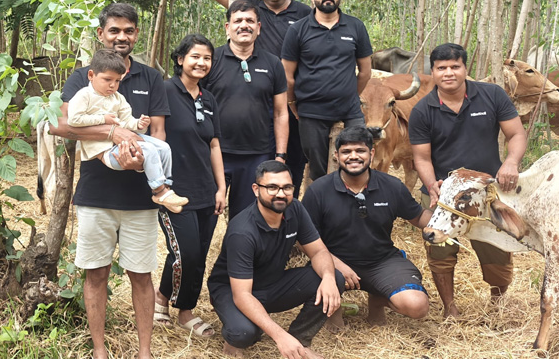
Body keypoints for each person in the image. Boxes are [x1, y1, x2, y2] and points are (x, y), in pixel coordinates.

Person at [50, 2, 169, 359]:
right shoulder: (84, 76)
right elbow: (61, 125)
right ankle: (100, 350)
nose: (122, 36)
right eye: (114, 30)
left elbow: (159, 132)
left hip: (140, 198)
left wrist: (144, 161)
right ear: (101, 33)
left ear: (136, 34)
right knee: (96, 275)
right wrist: (114, 132)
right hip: (96, 194)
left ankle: (144, 351)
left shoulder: (150, 78)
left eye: (128, 30)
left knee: (142, 276)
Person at [408, 42, 526, 318]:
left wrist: (510, 162)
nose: (448, 73)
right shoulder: (422, 110)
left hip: (486, 191)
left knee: (497, 251)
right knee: (440, 251)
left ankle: (497, 304)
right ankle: (450, 309)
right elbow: (422, 159)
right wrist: (430, 186)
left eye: (454, 67)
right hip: (444, 193)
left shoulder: (492, 95)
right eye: (441, 68)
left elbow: (516, 135)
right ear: (433, 72)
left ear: (465, 68)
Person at [207, 160, 343, 358]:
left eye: (286, 187)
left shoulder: (294, 208)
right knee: (243, 333)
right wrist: (279, 336)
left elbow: (319, 252)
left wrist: (329, 278)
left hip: (272, 283)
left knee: (334, 279)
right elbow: (242, 295)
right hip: (234, 291)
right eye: (272, 187)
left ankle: (299, 342)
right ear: (256, 189)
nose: (281, 194)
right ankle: (236, 334)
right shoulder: (243, 231)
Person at [302, 126, 431, 327]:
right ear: (337, 156)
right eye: (346, 152)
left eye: (360, 151)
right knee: (335, 330)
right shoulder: (318, 190)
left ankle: (378, 300)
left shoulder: (391, 186)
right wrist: (335, 265)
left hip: (382, 261)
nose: (353, 156)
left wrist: (449, 213)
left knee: (417, 306)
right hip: (332, 262)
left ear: (371, 154)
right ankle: (332, 310)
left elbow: (419, 217)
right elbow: (305, 240)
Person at [204, 0, 310, 196]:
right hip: (257, 97)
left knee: (291, 159)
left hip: (291, 100)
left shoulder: (305, 13)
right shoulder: (249, 9)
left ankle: (284, 211)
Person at [151, 33, 226, 338]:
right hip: (174, 191)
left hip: (206, 190)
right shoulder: (164, 91)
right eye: (195, 56)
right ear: (181, 59)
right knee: (186, 253)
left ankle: (164, 299)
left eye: (207, 58)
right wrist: (158, 187)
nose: (201, 62)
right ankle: (185, 311)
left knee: (197, 253)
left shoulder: (208, 99)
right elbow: (153, 139)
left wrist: (222, 189)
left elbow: (214, 145)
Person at [281, 0, 373, 188]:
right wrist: (293, 104)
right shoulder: (298, 30)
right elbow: (287, 76)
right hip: (312, 111)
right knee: (318, 169)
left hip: (350, 111)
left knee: (359, 159)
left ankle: (355, 204)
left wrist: (350, 95)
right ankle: (322, 213)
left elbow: (365, 71)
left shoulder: (355, 27)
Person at [67, 48, 188, 213]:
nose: (112, 85)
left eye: (117, 81)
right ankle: (158, 191)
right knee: (150, 149)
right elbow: (73, 120)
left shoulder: (117, 97)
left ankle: (166, 187)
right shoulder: (84, 96)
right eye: (107, 79)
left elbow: (126, 121)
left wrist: (139, 123)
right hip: (106, 151)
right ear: (91, 75)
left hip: (122, 141)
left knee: (163, 147)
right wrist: (103, 119)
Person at [200, 0, 289, 219]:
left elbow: (280, 112)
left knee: (244, 219)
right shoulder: (211, 60)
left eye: (250, 20)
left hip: (256, 155)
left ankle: (237, 254)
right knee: (206, 214)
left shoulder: (273, 63)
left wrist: (279, 156)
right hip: (215, 152)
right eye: (238, 20)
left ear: (259, 28)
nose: (244, 25)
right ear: (228, 28)